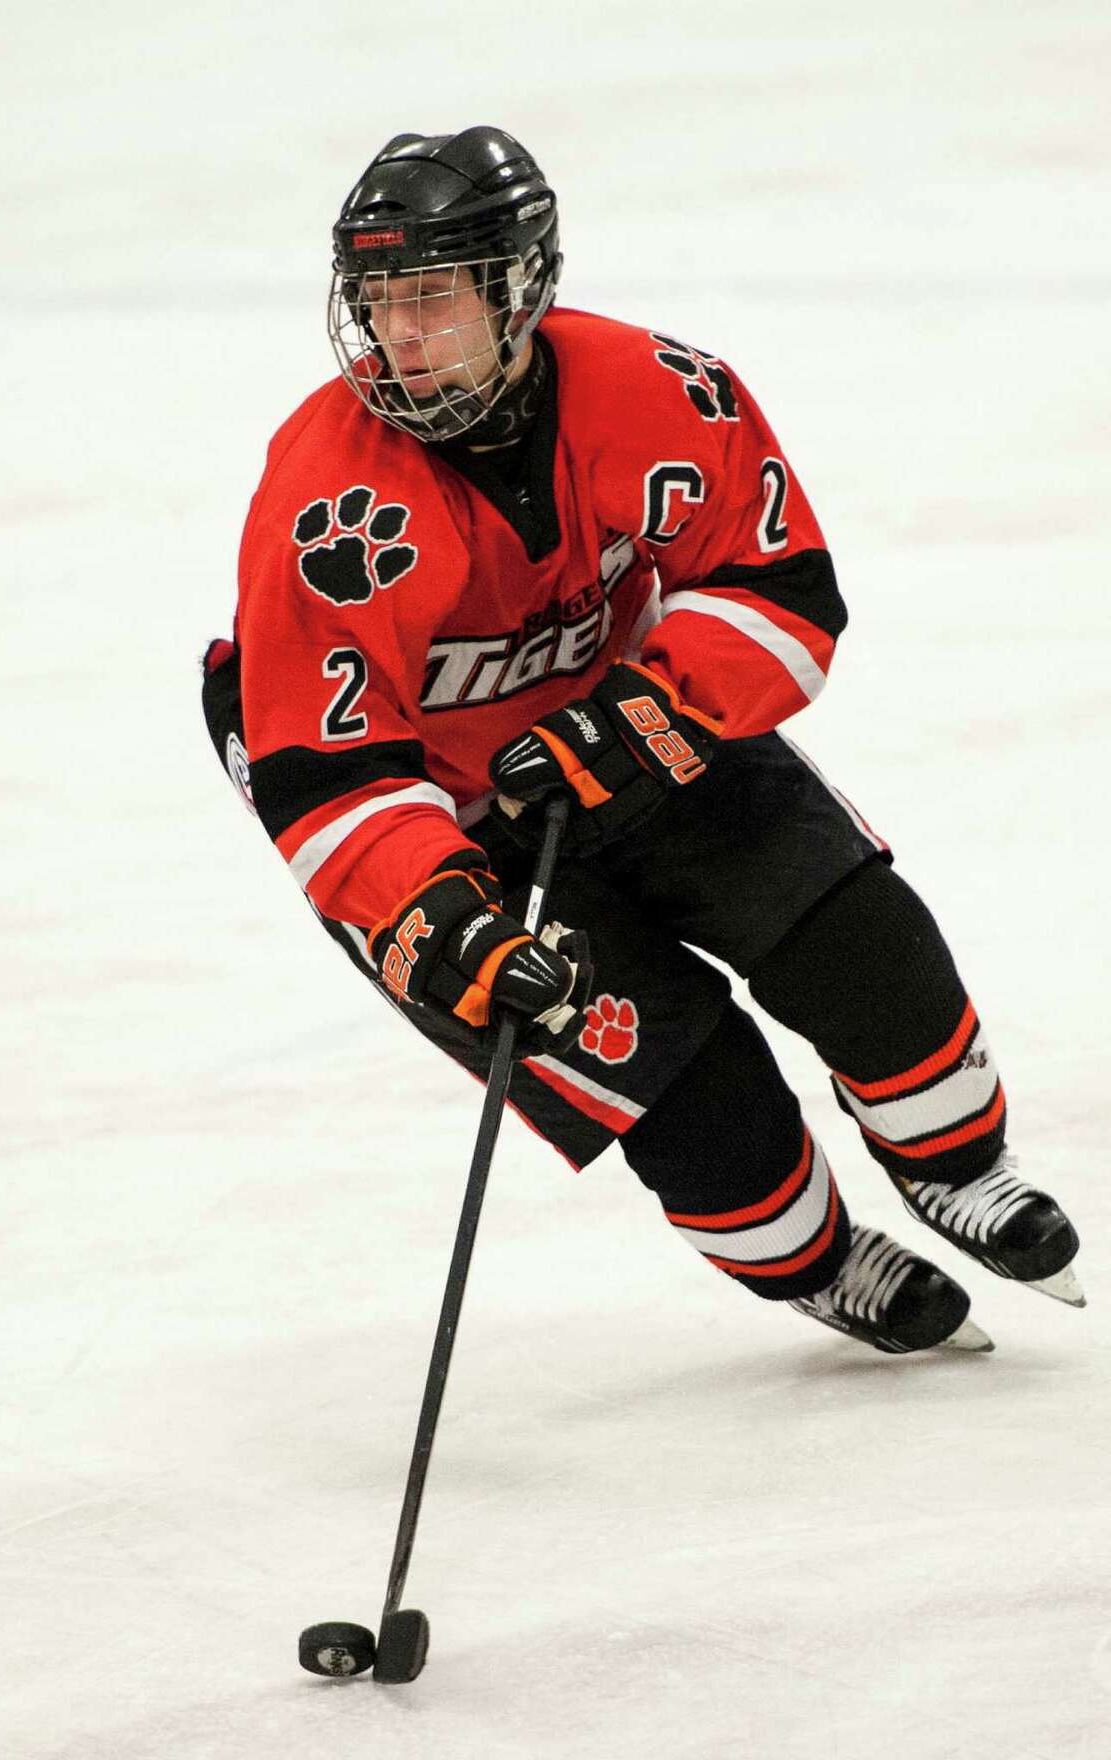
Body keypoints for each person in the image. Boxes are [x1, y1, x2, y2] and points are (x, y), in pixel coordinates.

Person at [202, 126, 1084, 1354]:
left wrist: (656, 711)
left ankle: (958, 1166)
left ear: (519, 288)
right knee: (684, 1088)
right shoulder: (326, 500)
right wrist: (438, 914)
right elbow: (321, 767)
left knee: (863, 942)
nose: (398, 340)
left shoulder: (658, 390)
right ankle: (823, 1263)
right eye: (377, 304)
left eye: (433, 299)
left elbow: (781, 591)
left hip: (633, 718)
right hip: (439, 817)